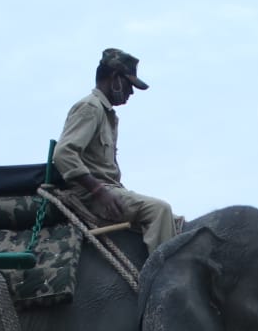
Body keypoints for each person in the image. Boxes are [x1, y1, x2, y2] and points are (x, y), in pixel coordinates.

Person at [52, 48, 177, 255]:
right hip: (89, 196)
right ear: (114, 78)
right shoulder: (90, 108)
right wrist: (99, 192)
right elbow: (64, 154)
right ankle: (162, 280)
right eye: (129, 85)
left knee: (175, 221)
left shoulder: (108, 114)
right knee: (160, 210)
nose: (131, 92)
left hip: (109, 188)